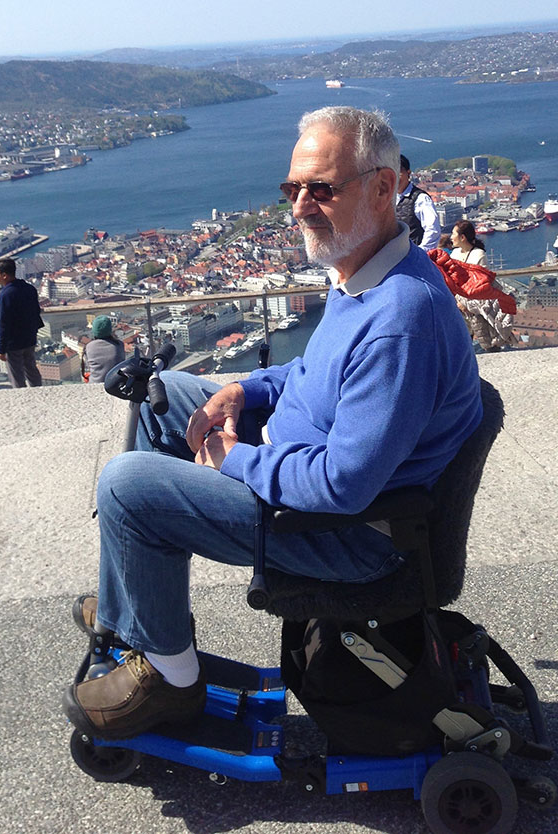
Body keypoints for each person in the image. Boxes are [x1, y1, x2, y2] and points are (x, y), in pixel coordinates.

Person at [64, 106, 483, 741]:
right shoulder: (370, 275)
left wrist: (232, 458)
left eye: (323, 189)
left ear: (383, 188)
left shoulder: (399, 319)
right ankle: (136, 609)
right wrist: (243, 388)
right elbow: (316, 376)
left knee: (127, 486)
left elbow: (343, 486)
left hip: (346, 535)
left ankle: (170, 680)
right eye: (293, 189)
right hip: (314, 482)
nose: (300, 208)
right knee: (166, 394)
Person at [448, 220, 514, 352]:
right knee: (460, 343)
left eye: (453, 233)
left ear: (462, 237)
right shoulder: (454, 254)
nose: (450, 237)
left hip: (475, 307)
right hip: (457, 305)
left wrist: (466, 304)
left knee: (487, 341)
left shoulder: (479, 255)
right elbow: (451, 281)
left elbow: (481, 285)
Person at [0, 258, 43, 388]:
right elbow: (36, 311)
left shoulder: (6, 295)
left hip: (14, 342)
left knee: (17, 375)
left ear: (4, 275)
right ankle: (40, 393)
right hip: (30, 337)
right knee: (31, 369)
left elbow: (3, 323)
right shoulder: (29, 288)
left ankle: (21, 398)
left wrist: (1, 348)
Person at [396, 154, 440, 251]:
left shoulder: (421, 199)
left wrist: (421, 252)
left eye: (398, 172)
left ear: (408, 173)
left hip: (413, 257)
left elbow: (433, 229)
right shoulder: (388, 199)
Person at [82, 315, 125, 383]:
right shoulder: (119, 345)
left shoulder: (89, 347)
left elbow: (89, 365)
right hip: (116, 383)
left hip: (95, 383)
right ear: (110, 329)